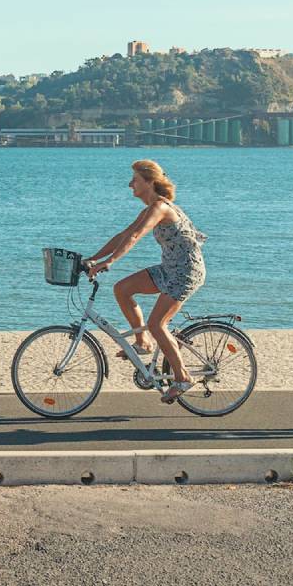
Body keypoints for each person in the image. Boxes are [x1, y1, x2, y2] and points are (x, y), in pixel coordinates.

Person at [81, 159, 207, 404]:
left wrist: (111, 261)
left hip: (186, 271)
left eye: (135, 180)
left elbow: (136, 236)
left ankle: (183, 377)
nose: (130, 184)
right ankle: (143, 343)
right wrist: (93, 259)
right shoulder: (150, 208)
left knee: (157, 323)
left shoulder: (161, 208)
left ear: (149, 182)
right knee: (122, 289)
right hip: (170, 269)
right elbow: (124, 234)